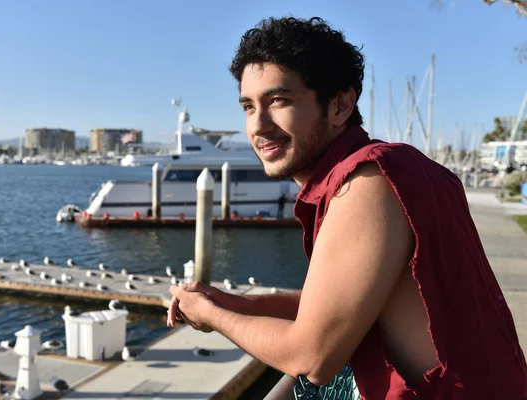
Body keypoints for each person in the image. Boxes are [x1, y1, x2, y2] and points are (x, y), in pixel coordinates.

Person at [167, 16, 527, 399]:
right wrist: (232, 302)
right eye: (248, 106)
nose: (258, 125)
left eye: (278, 101)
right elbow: (340, 303)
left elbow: (312, 357)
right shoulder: (402, 166)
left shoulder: (368, 180)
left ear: (339, 106)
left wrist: (212, 316)